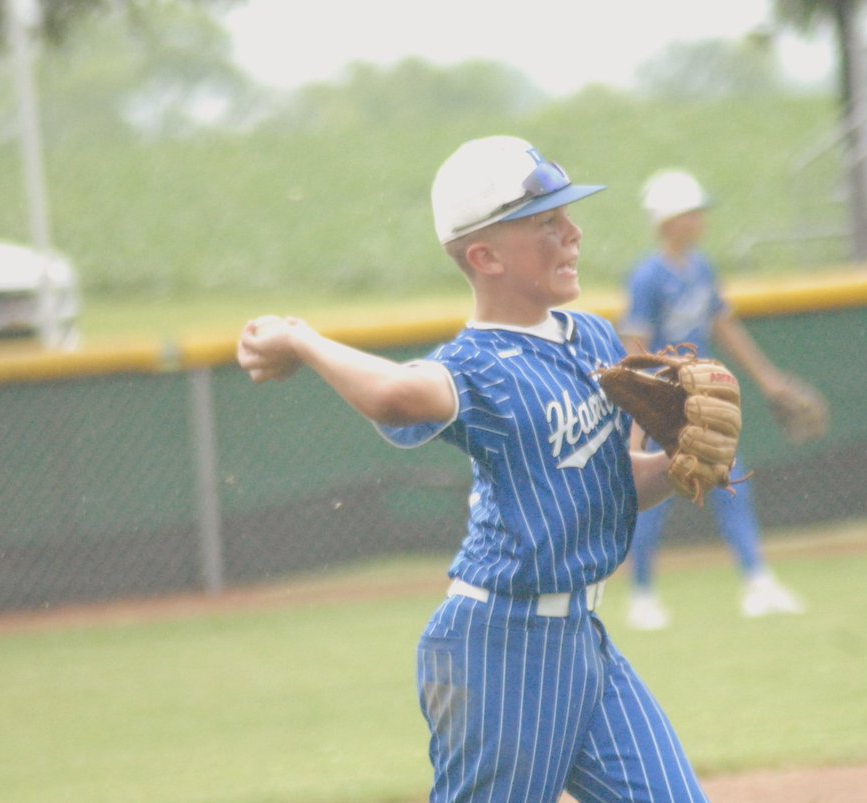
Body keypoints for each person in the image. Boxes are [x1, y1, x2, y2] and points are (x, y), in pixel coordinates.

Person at [237, 136, 710, 802]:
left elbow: (611, 488)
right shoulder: (477, 365)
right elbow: (396, 394)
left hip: (583, 642)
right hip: (499, 649)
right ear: (484, 255)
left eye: (567, 215)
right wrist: (300, 339)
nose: (573, 232)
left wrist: (681, 461)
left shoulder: (598, 340)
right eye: (547, 222)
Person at [619, 168, 806, 630]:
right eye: (691, 213)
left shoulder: (701, 268)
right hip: (665, 402)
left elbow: (723, 325)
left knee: (730, 484)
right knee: (654, 503)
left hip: (703, 402)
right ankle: (641, 597)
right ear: (668, 221)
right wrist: (638, 424)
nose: (700, 220)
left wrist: (768, 378)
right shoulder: (647, 278)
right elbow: (635, 349)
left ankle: (757, 582)